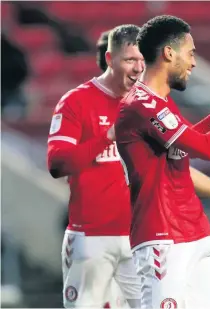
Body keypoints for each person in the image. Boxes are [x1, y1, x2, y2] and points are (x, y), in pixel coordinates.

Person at [115, 15, 210, 309]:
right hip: (161, 238)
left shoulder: (161, 104)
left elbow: (187, 145)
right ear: (169, 53)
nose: (194, 62)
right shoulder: (140, 106)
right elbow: (207, 148)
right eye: (191, 52)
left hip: (197, 234)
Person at [47, 24, 144, 308]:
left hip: (141, 237)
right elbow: (57, 163)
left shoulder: (146, 104)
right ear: (111, 58)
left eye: (143, 61)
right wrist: (108, 136)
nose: (139, 68)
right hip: (92, 236)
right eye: (130, 60)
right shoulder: (76, 101)